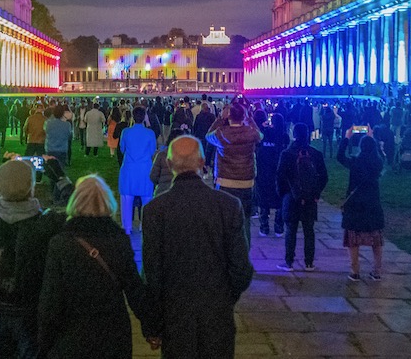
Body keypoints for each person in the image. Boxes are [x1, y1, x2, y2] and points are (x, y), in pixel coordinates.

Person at [142, 136, 254, 359]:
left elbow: (152, 274)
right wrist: (223, 298)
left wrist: (152, 324)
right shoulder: (228, 205)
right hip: (217, 313)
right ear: (202, 162)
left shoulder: (155, 210)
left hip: (175, 316)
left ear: (170, 164)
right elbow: (241, 268)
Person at [0, 156, 74, 359]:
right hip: (31, 305)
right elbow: (76, 211)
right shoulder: (47, 224)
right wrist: (60, 177)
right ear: (31, 188)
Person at [38, 176, 152, 359]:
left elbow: (51, 299)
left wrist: (44, 342)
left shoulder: (61, 244)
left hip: (72, 333)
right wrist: (151, 327)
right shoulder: (118, 241)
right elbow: (134, 289)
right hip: (112, 332)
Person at [205, 102, 263, 248]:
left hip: (225, 181)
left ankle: (225, 253)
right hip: (246, 181)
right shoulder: (251, 133)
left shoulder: (221, 133)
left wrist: (219, 118)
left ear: (228, 116)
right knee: (245, 221)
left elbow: (207, 136)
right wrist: (250, 119)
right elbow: (260, 135)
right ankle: (244, 255)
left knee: (223, 221)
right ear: (243, 116)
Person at [276, 122, 328, 272]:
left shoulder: (286, 154)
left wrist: (283, 193)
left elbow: (280, 176)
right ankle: (309, 262)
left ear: (294, 135)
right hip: (310, 198)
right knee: (309, 230)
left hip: (291, 197)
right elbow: (324, 176)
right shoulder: (315, 154)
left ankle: (289, 262)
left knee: (291, 230)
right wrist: (316, 192)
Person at [336, 127, 385, 281]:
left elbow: (339, 156)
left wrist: (346, 137)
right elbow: (380, 155)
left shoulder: (355, 162)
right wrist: (371, 138)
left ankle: (355, 270)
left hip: (355, 204)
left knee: (353, 239)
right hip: (372, 203)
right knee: (375, 239)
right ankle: (376, 271)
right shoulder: (378, 163)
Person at [118, 107, 158, 235]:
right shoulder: (150, 133)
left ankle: (127, 227)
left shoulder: (126, 132)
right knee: (147, 198)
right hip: (145, 169)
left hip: (129, 169)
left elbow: (122, 148)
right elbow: (153, 151)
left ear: (132, 117)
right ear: (144, 117)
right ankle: (143, 225)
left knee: (126, 199)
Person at [254, 111, 287, 237]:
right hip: (278, 172)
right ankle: (279, 227)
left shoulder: (266, 133)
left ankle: (264, 227)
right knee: (279, 201)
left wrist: (263, 126)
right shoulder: (284, 136)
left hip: (264, 170)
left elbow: (258, 136)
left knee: (264, 200)